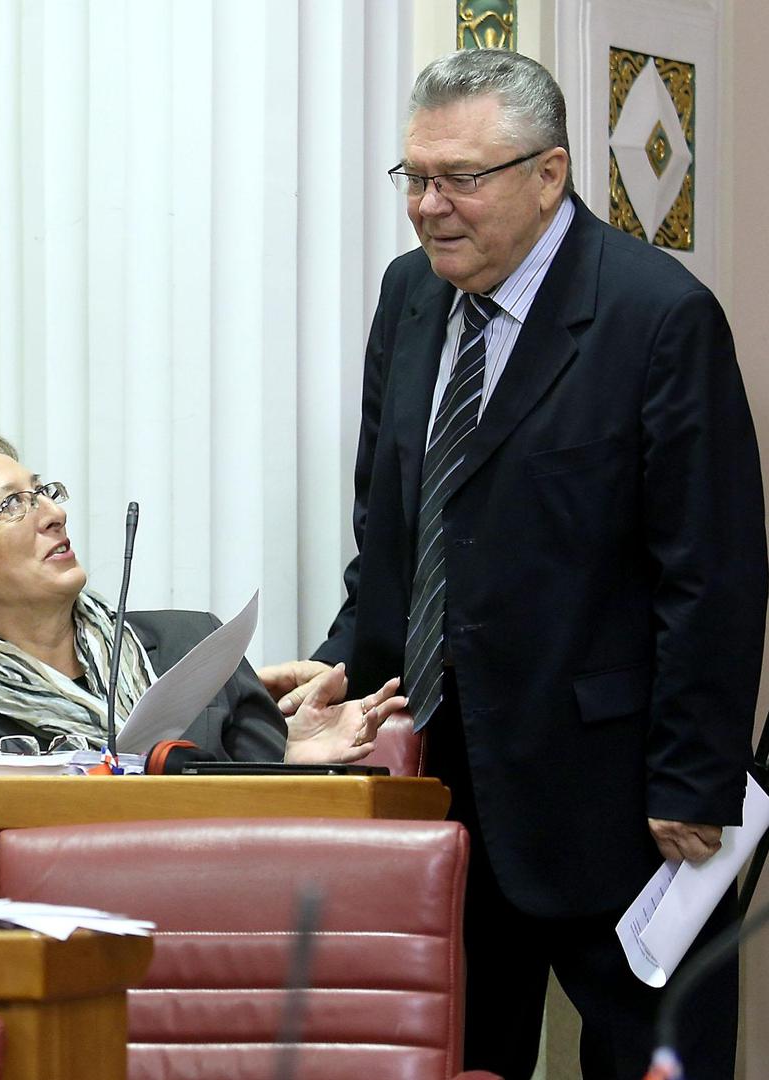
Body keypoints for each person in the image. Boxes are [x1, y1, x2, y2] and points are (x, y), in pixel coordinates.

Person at [311, 49, 765, 1078]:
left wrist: (695, 774)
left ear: (548, 173)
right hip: (436, 786)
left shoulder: (657, 316)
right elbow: (392, 529)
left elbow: (713, 570)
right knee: (454, 1057)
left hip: (619, 800)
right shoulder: (408, 296)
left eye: (459, 179)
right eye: (415, 177)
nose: (428, 208)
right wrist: (344, 669)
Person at [0, 432, 403, 761]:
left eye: (44, 492)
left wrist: (291, 759)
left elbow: (265, 820)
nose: (53, 514)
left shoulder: (195, 646)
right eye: (12, 505)